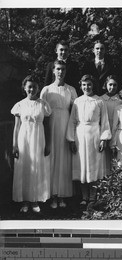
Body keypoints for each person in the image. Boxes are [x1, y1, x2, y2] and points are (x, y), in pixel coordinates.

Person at [67, 75, 111, 206]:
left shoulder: (99, 101)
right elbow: (72, 121)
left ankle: (93, 197)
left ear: (93, 85)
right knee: (82, 165)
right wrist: (71, 140)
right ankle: (84, 197)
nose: (87, 87)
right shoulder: (77, 102)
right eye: (84, 85)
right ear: (81, 86)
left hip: (94, 135)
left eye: (89, 85)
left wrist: (104, 139)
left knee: (93, 165)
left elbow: (104, 121)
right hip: (80, 135)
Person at [40, 60, 77, 209]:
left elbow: (75, 112)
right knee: (52, 158)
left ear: (65, 71)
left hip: (66, 124)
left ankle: (62, 195)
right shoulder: (46, 90)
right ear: (53, 71)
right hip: (51, 125)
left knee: (64, 160)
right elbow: (42, 113)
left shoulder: (71, 90)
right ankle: (52, 196)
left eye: (62, 69)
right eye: (57, 69)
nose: (60, 72)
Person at [11, 75, 51, 213]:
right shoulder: (20, 105)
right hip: (24, 139)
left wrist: (48, 144)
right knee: (25, 168)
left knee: (37, 167)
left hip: (39, 138)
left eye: (34, 87)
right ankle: (25, 201)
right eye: (29, 87)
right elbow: (16, 127)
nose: (32, 89)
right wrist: (14, 145)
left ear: (38, 88)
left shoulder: (43, 104)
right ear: (24, 88)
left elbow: (47, 126)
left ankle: (35, 200)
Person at [99, 75, 122, 174]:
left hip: (116, 133)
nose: (112, 87)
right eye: (110, 85)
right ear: (106, 85)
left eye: (114, 85)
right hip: (103, 132)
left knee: (115, 159)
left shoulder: (120, 101)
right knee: (104, 159)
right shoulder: (100, 99)